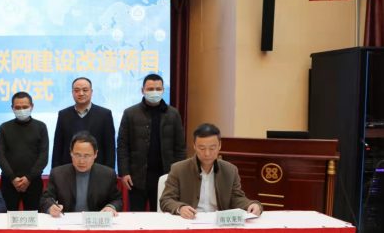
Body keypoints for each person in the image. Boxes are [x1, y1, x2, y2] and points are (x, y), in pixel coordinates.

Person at [160, 123, 263, 219]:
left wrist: (251, 205)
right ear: (194, 146)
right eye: (202, 148)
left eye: (212, 148)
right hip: (190, 221)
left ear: (219, 146)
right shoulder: (179, 169)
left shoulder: (230, 170)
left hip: (218, 223)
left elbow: (236, 198)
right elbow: (166, 200)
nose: (207, 153)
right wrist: (180, 208)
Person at [117, 73, 186, 211]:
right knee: (136, 217)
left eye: (158, 89)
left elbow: (180, 148)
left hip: (165, 176)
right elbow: (122, 146)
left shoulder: (173, 114)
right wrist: (124, 172)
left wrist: (178, 174)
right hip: (137, 177)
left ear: (163, 90)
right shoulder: (130, 113)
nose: (154, 92)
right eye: (150, 89)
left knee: (162, 216)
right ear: (142, 90)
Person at [40, 131, 122, 217]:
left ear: (95, 154)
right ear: (71, 153)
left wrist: (111, 207)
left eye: (87, 156)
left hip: (96, 221)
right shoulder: (58, 174)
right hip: (67, 220)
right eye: (77, 155)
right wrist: (50, 207)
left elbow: (117, 200)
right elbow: (45, 199)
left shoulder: (107, 174)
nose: (81, 161)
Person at [0, 91, 49, 211]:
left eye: (25, 107)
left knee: (34, 218)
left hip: (33, 182)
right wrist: (13, 178)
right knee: (7, 218)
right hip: (9, 182)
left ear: (32, 106)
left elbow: (43, 156)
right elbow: (0, 156)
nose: (21, 110)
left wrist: (29, 178)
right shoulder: (4, 127)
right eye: (18, 107)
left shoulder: (41, 127)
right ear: (12, 108)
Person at [51, 77, 115, 169]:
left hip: (98, 170)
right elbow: (58, 146)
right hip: (68, 170)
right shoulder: (63, 115)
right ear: (72, 93)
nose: (81, 93)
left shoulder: (105, 114)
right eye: (76, 90)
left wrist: (109, 172)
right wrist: (55, 171)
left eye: (85, 90)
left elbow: (110, 148)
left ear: (91, 92)